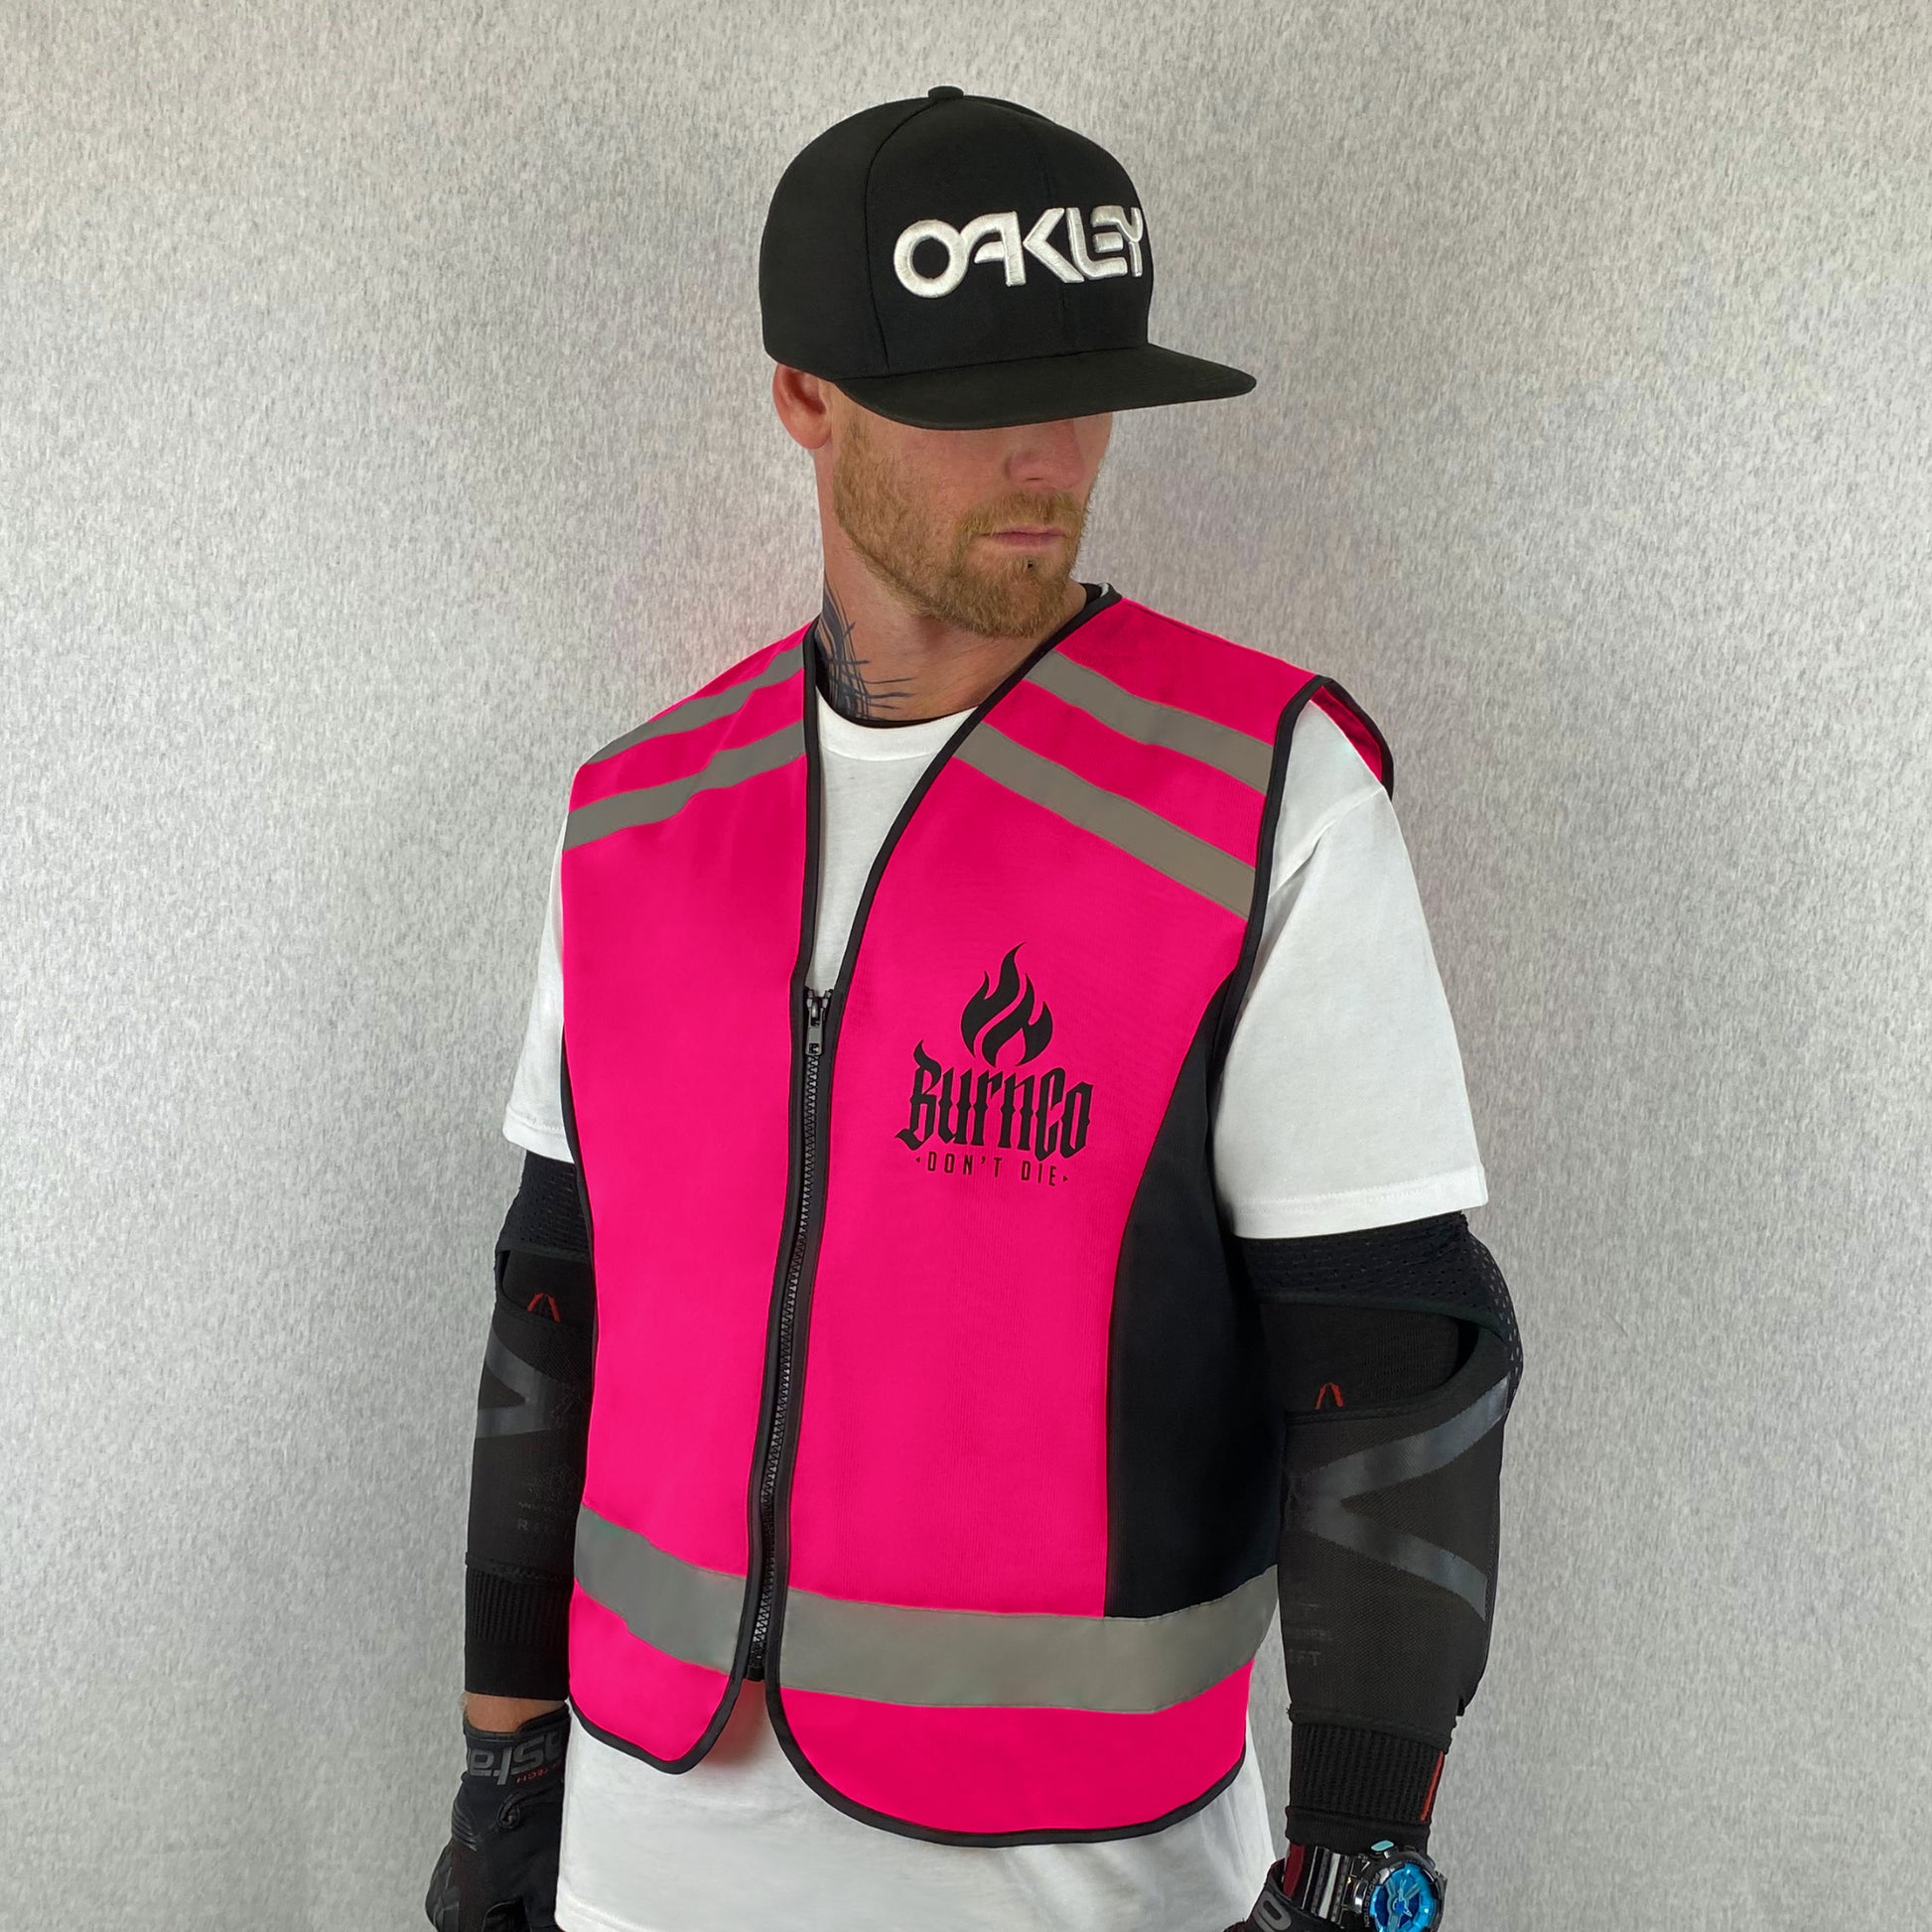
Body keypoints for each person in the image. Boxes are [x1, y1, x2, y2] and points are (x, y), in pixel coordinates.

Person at [425, 86, 1522, 1932]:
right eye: (973, 403)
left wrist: (1356, 1868)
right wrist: (503, 1770)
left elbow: (1391, 1368)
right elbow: (554, 1308)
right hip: (640, 1855)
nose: (1047, 459)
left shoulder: (1263, 796)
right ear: (805, 397)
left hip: (1085, 1871)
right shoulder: (636, 815)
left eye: (1081, 393)